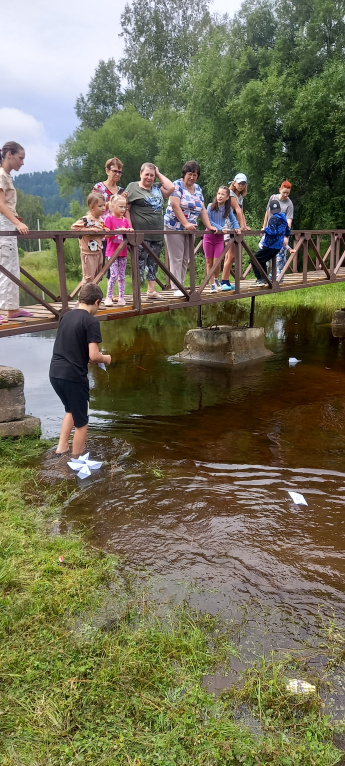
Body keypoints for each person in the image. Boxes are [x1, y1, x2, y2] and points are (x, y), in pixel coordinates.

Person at [49, 283, 111, 456]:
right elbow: (94, 356)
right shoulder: (91, 321)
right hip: (73, 377)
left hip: (55, 373)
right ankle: (77, 461)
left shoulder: (66, 316)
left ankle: (62, 448)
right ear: (97, 301)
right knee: (82, 423)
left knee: (70, 409)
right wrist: (106, 358)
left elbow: (74, 347)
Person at [164, 161, 217, 297]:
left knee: (186, 258)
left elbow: (202, 209)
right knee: (177, 257)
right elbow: (175, 205)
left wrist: (209, 226)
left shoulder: (198, 188)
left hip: (190, 229)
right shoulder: (177, 185)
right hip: (174, 226)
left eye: (195, 175)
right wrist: (185, 223)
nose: (192, 177)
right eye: (190, 174)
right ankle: (176, 287)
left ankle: (180, 285)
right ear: (184, 174)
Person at [125, 163, 174, 299]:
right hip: (139, 234)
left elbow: (171, 188)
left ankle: (151, 291)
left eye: (152, 175)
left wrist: (158, 173)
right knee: (139, 263)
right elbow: (125, 209)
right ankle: (136, 294)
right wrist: (130, 228)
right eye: (147, 174)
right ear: (140, 174)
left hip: (157, 233)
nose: (149, 177)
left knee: (153, 263)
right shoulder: (132, 187)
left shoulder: (158, 188)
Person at [0, 141, 33, 324]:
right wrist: (16, 223)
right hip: (3, 225)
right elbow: (0, 204)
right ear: (9, 154)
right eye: (20, 158)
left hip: (8, 224)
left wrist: (16, 221)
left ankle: (12, 309)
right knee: (4, 267)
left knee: (11, 267)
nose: (22, 162)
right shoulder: (1, 175)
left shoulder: (7, 175)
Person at [204, 186, 241, 293]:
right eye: (219, 194)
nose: (220, 196)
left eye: (222, 194)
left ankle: (216, 280)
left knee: (217, 262)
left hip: (219, 238)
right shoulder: (211, 206)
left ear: (227, 197)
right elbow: (208, 220)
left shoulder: (227, 209)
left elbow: (233, 220)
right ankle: (211, 285)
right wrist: (221, 228)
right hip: (209, 236)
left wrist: (237, 228)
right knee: (209, 262)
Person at [250, 199, 295, 285]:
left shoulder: (272, 218)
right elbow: (288, 231)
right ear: (279, 209)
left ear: (270, 210)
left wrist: (264, 229)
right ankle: (264, 279)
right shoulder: (284, 218)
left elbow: (272, 231)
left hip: (270, 245)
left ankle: (260, 279)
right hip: (278, 247)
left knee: (254, 259)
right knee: (261, 260)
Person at [221, 173, 250, 292]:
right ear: (234, 183)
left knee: (230, 256)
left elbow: (241, 212)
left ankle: (226, 281)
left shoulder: (240, 196)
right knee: (231, 255)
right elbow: (237, 210)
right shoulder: (231, 194)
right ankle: (223, 282)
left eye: (243, 184)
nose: (241, 186)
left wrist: (245, 225)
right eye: (239, 183)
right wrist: (242, 227)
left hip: (235, 227)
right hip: (228, 227)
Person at [71, 192, 109, 284]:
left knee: (98, 276)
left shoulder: (101, 220)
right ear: (92, 207)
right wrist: (89, 230)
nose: (103, 208)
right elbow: (74, 227)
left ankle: (93, 296)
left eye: (104, 205)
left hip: (99, 251)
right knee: (88, 277)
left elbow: (101, 234)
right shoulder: (86, 219)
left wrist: (105, 230)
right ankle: (84, 297)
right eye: (100, 206)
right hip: (88, 253)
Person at [103, 194, 133, 307]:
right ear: (113, 206)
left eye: (124, 207)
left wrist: (129, 230)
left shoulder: (125, 220)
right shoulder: (109, 218)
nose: (123, 209)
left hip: (123, 252)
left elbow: (129, 230)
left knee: (122, 276)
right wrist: (117, 230)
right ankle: (109, 297)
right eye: (120, 206)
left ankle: (121, 297)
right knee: (113, 275)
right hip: (112, 252)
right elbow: (105, 236)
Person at [262, 180, 294, 281]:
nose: (285, 195)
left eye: (287, 193)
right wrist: (263, 227)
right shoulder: (273, 198)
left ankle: (278, 278)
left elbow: (289, 222)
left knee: (280, 257)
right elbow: (267, 213)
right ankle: (264, 278)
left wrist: (286, 236)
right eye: (284, 192)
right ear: (280, 190)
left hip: (280, 234)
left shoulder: (289, 204)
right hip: (269, 232)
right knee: (265, 254)